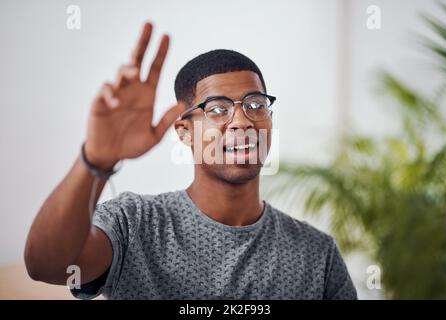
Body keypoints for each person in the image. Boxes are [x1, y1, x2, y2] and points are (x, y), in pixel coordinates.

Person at [24, 22, 357, 300]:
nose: (242, 122)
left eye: (255, 104)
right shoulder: (134, 223)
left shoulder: (318, 254)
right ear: (184, 131)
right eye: (218, 108)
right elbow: (46, 266)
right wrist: (95, 159)